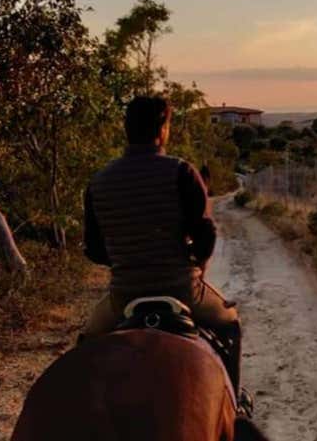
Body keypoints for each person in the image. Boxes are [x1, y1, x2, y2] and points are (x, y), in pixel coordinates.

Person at [81, 96, 244, 408]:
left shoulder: (99, 181)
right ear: (164, 129)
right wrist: (195, 263)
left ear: (125, 129)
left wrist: (125, 258)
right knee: (230, 324)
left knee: (86, 341)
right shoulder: (182, 172)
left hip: (124, 295)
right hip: (183, 290)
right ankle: (235, 409)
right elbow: (206, 234)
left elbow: (95, 249)